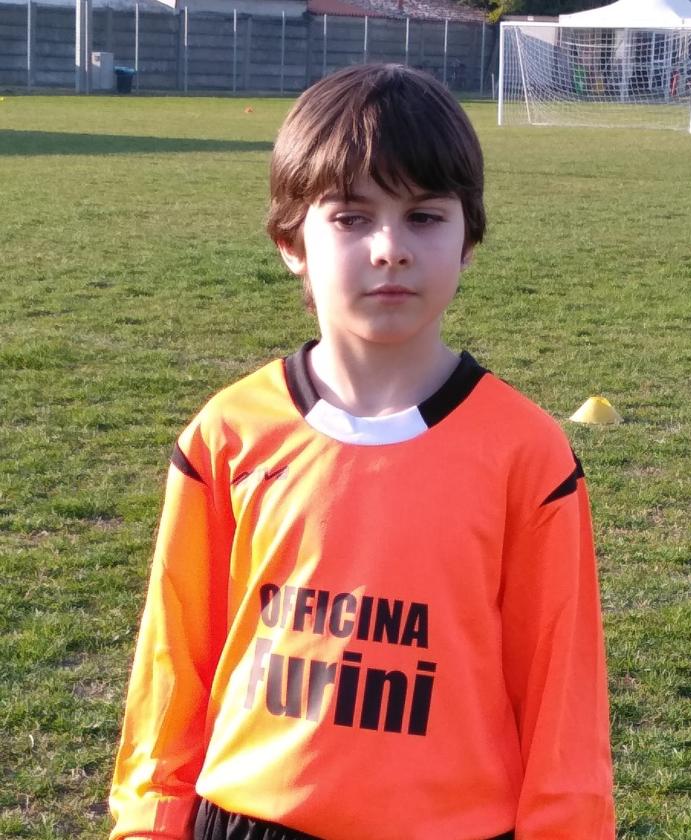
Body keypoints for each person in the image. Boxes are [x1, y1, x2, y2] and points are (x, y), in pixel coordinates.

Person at [109, 64, 615, 840]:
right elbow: (173, 660)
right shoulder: (227, 435)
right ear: (291, 242)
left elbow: (562, 696)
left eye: (424, 216)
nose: (390, 249)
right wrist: (149, 821)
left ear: (468, 240)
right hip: (250, 819)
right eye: (351, 217)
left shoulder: (527, 455)